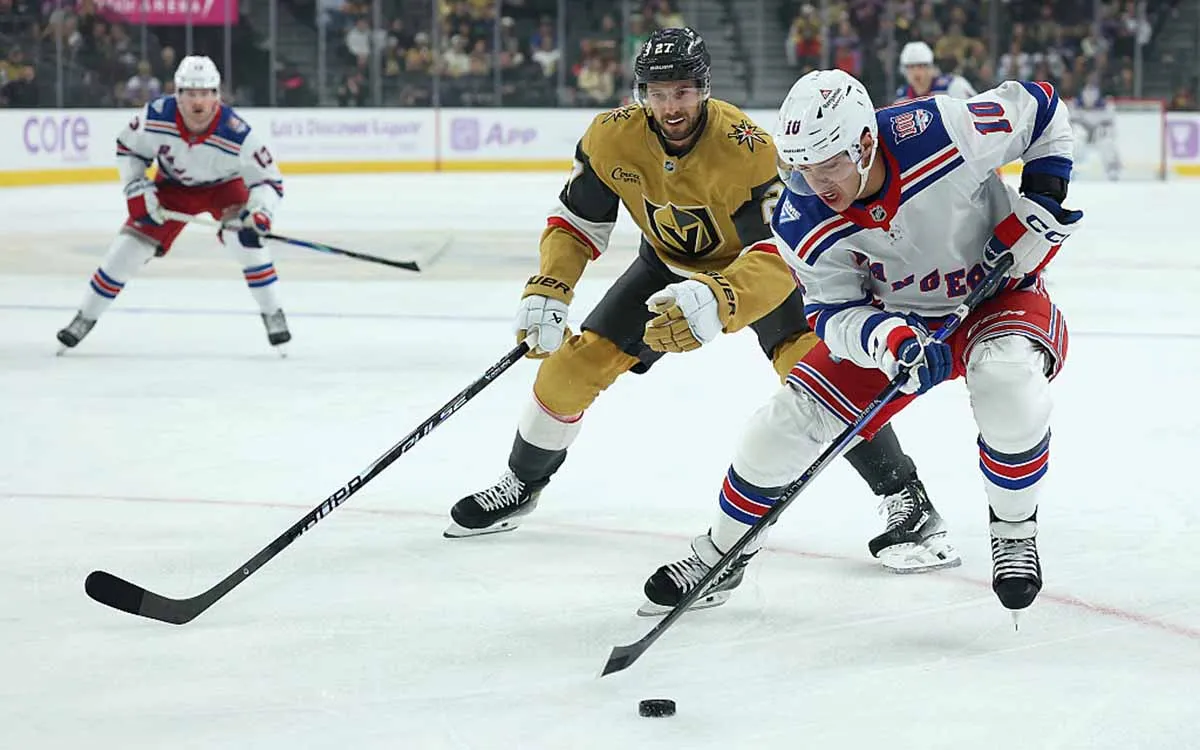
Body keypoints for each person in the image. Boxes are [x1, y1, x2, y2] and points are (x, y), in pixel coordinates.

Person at [444, 27, 960, 580]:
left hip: (759, 277)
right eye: (658, 93)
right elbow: (577, 222)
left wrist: (721, 297)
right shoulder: (609, 139)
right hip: (663, 269)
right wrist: (551, 286)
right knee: (571, 367)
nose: (671, 107)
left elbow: (783, 246)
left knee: (823, 383)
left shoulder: (748, 148)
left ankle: (907, 499)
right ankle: (523, 482)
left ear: (704, 89)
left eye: (683, 92)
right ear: (641, 92)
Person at [644, 69, 1080, 616]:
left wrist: (1043, 197)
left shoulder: (942, 129)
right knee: (779, 428)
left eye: (829, 165)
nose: (817, 184)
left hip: (997, 294)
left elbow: (1041, 108)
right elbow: (830, 311)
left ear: (866, 142)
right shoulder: (799, 216)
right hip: (894, 323)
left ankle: (1014, 531)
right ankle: (722, 551)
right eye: (802, 168)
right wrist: (886, 339)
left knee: (1008, 382)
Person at [56, 55, 290, 355]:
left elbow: (269, 181)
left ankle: (273, 312)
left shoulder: (238, 133)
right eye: (191, 93)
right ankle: (84, 317)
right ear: (176, 94)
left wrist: (260, 214)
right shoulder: (154, 117)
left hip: (225, 189)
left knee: (247, 246)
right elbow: (128, 149)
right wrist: (136, 186)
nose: (198, 102)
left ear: (217, 96)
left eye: (206, 93)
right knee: (126, 251)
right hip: (172, 189)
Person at [894, 41, 976, 102]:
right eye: (911, 67)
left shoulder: (953, 86)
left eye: (921, 66)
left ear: (930, 68)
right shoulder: (902, 97)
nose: (916, 72)